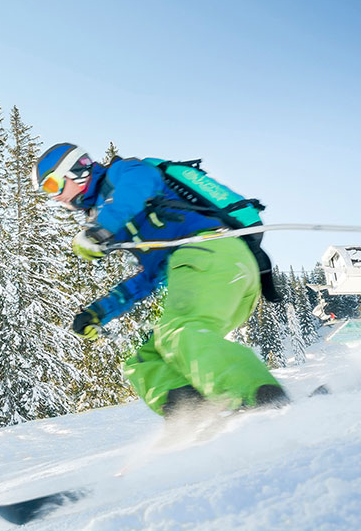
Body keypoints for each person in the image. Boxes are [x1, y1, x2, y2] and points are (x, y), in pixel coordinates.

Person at [32, 142, 289, 418]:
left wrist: (101, 229)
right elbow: (148, 278)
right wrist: (99, 312)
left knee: (179, 331)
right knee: (146, 358)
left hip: (212, 252)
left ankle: (264, 401)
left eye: (51, 186)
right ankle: (192, 415)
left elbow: (141, 184)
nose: (54, 197)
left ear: (75, 170)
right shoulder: (125, 221)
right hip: (221, 276)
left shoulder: (122, 173)